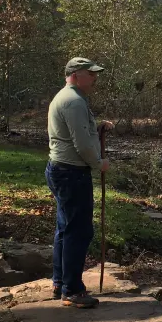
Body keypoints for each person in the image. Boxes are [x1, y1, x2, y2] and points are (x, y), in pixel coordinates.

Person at [45, 57, 113, 308]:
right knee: (79, 230)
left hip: (62, 170)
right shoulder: (73, 101)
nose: (95, 78)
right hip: (71, 173)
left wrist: (97, 126)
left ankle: (60, 282)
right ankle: (72, 290)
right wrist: (99, 162)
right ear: (75, 75)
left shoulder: (70, 97)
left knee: (66, 228)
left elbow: (78, 130)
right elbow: (81, 143)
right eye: (90, 73)